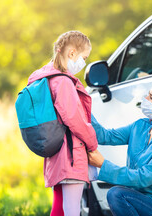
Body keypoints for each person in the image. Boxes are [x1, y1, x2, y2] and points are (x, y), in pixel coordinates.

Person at [88, 79, 152, 216]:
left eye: (151, 97)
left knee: (116, 194)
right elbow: (106, 136)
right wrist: (84, 109)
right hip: (138, 200)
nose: (145, 99)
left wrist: (103, 164)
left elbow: (144, 178)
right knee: (118, 194)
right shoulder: (140, 126)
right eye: (148, 94)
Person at [27, 31, 98, 216]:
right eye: (84, 57)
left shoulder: (46, 78)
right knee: (72, 208)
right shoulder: (63, 82)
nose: (84, 63)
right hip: (71, 153)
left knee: (59, 205)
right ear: (72, 53)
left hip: (56, 152)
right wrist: (92, 144)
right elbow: (75, 120)